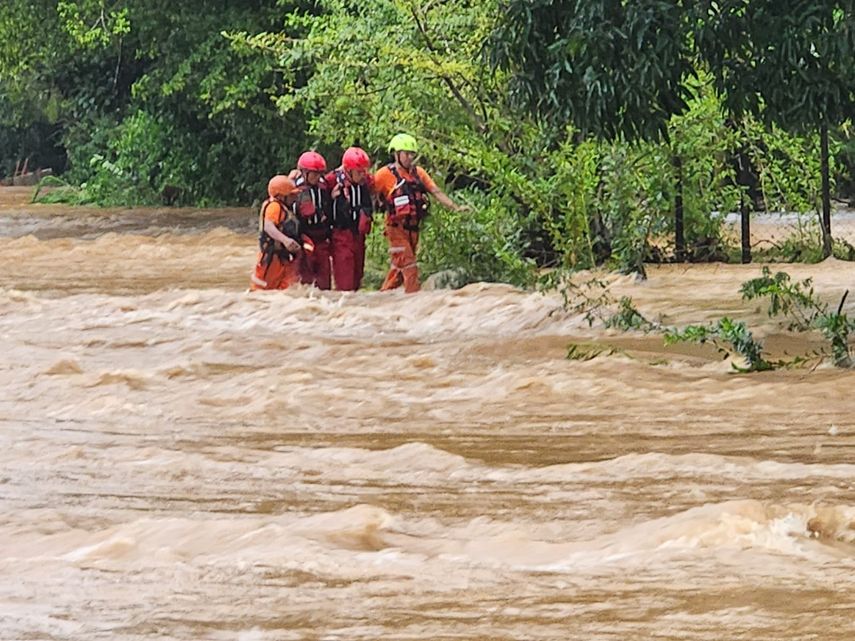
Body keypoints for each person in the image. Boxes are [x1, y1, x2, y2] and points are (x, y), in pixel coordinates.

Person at [373, 133, 468, 293]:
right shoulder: (384, 175)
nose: (410, 157)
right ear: (396, 154)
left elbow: (435, 191)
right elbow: (369, 192)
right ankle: (414, 302)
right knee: (410, 267)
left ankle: (384, 297)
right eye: (407, 153)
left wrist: (455, 207)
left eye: (412, 154)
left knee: (398, 270)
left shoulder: (419, 173)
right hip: (396, 229)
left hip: (413, 230)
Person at [326, 147, 375, 291]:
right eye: (359, 172)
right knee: (345, 285)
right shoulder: (332, 180)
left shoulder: (366, 181)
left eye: (364, 171)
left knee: (357, 280)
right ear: (348, 170)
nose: (363, 175)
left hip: (359, 237)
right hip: (341, 236)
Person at [250, 175, 303, 291]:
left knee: (286, 291)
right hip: (270, 260)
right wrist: (285, 240)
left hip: (283, 259)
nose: (295, 198)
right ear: (281, 196)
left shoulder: (285, 208)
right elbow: (269, 226)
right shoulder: (274, 206)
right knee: (261, 294)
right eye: (291, 195)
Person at [292, 151, 332, 290]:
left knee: (324, 278)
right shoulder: (293, 189)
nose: (317, 177)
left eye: (319, 173)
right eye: (314, 173)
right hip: (304, 237)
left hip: (321, 236)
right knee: (305, 277)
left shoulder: (324, 186)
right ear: (303, 172)